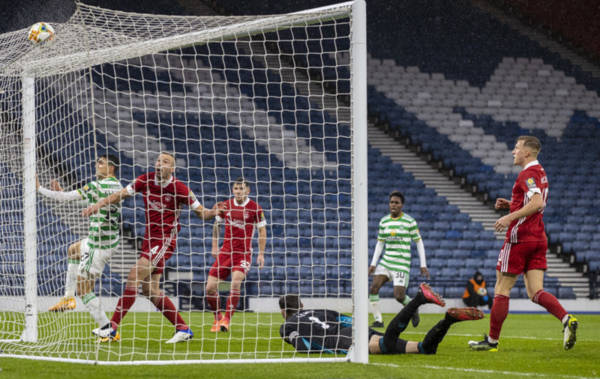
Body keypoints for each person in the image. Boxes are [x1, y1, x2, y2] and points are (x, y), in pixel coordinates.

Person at [83, 152, 218, 344]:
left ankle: (112, 328)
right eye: (158, 160)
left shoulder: (179, 188)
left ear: (172, 169)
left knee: (134, 275)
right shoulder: (145, 180)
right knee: (149, 289)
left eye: (165, 162)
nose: (159, 164)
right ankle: (183, 328)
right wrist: (99, 204)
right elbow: (119, 194)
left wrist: (213, 212)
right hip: (149, 239)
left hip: (164, 240)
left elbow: (202, 213)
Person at [469, 136, 578, 352]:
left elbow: (537, 203)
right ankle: (566, 319)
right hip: (538, 238)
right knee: (535, 291)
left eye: (516, 148)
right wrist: (512, 205)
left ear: (527, 152)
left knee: (502, 287)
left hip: (520, 239)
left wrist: (509, 218)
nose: (513, 151)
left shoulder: (527, 174)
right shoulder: (540, 172)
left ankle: (492, 341)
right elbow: (534, 201)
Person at [37, 155, 123, 333]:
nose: (96, 165)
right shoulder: (116, 186)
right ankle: (68, 298)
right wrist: (64, 192)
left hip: (98, 246)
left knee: (84, 290)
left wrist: (39, 189)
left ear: (112, 168)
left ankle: (107, 328)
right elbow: (89, 201)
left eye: (101, 163)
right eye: (97, 161)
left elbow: (65, 199)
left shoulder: (97, 185)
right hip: (108, 240)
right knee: (73, 250)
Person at [279, 283, 483, 355]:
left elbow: (302, 346)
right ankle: (448, 320)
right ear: (302, 305)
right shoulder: (319, 310)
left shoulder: (287, 325)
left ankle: (419, 299)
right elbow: (349, 320)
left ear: (283, 312)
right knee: (424, 349)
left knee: (386, 345)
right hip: (355, 331)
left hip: (341, 342)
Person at [206, 177, 266, 332]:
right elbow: (217, 225)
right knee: (210, 288)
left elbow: (262, 231)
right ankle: (217, 318)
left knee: (235, 282)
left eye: (242, 188)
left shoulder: (255, 208)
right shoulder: (225, 205)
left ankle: (227, 320)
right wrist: (214, 246)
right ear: (233, 190)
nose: (239, 191)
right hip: (225, 252)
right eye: (236, 188)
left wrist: (261, 254)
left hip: (243, 253)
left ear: (248, 190)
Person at [368, 191, 430, 328]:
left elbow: (419, 242)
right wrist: (373, 264)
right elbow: (380, 243)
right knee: (373, 288)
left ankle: (413, 308)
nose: (393, 205)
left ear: (402, 205)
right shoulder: (384, 221)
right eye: (391, 202)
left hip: (401, 264)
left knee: (399, 296)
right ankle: (378, 320)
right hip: (386, 262)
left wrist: (423, 264)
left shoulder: (409, 221)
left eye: (396, 202)